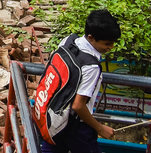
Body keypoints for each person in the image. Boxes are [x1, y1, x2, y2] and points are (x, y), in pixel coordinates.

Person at [37, 10, 120, 153]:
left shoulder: (69, 41)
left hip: (54, 115)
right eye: (107, 43)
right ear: (91, 38)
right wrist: (100, 128)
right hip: (77, 127)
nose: (111, 47)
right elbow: (78, 106)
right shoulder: (91, 66)